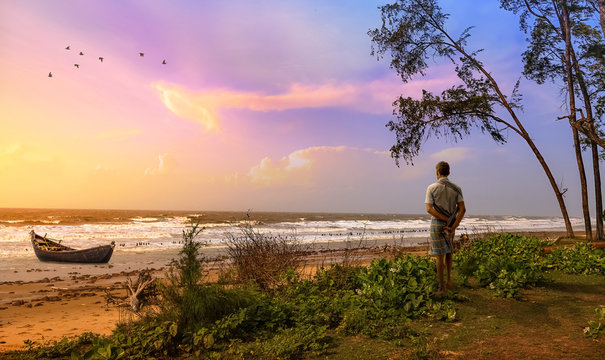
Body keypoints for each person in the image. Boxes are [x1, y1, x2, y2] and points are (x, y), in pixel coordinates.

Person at [425, 161, 466, 294]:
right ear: (448, 172)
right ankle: (448, 282)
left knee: (439, 256)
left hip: (437, 223)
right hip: (450, 226)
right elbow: (462, 209)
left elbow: (429, 209)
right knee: (449, 252)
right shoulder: (456, 188)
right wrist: (453, 225)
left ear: (437, 173)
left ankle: (441, 287)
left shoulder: (431, 188)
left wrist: (443, 219)